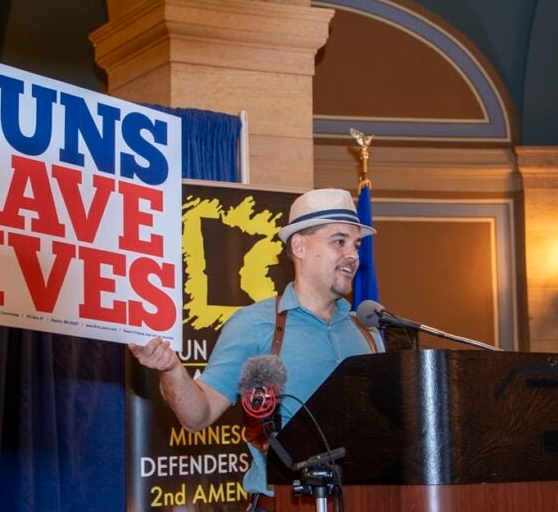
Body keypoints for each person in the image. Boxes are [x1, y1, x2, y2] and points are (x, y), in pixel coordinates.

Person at [129, 188, 384, 510]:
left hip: (369, 500)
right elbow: (198, 416)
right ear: (300, 246)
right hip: (285, 503)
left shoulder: (368, 330)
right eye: (339, 241)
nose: (353, 255)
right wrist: (171, 370)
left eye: (356, 244)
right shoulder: (253, 324)